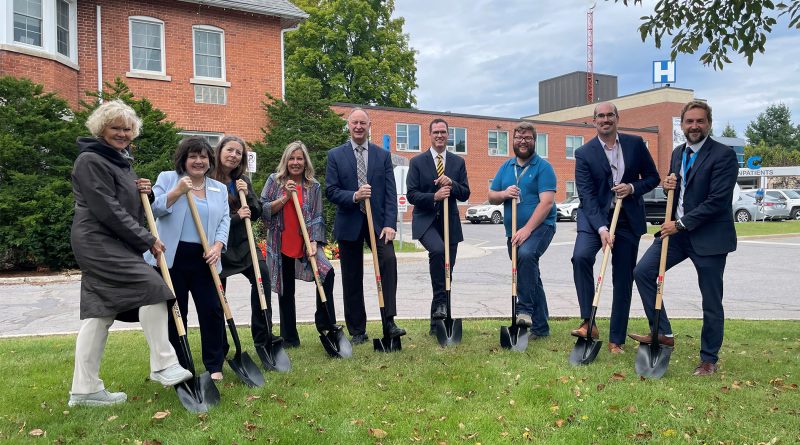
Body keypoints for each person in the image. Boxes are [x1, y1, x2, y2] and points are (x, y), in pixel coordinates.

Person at [68, 100, 192, 407]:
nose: (123, 134)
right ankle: (163, 363)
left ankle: (84, 390)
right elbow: (106, 208)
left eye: (127, 128)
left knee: (99, 314)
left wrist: (144, 191)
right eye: (115, 128)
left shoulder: (119, 160)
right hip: (99, 242)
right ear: (101, 129)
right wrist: (146, 238)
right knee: (154, 288)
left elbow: (124, 201)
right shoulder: (91, 160)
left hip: (112, 241)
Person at [629, 100, 739, 376]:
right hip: (678, 234)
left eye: (700, 121)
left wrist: (680, 224)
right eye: (689, 121)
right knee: (643, 271)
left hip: (709, 237)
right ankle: (662, 332)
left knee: (710, 300)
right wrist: (668, 187)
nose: (694, 126)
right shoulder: (679, 153)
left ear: (709, 123)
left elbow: (717, 201)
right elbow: (678, 194)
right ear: (682, 124)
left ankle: (708, 359)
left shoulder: (723, 155)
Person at [570, 102, 660, 354]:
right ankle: (589, 322)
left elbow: (653, 177)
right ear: (594, 121)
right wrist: (601, 228)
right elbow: (586, 195)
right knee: (580, 258)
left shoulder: (635, 144)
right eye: (600, 116)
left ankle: (616, 339)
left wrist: (632, 188)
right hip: (594, 219)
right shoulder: (584, 153)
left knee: (623, 278)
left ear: (618, 118)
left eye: (610, 115)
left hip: (626, 219)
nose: (605, 119)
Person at [145, 136, 230, 381]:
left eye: (203, 156)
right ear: (183, 158)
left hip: (206, 258)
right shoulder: (168, 179)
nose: (198, 161)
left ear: (209, 160)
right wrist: (177, 192)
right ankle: (180, 365)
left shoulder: (218, 188)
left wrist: (218, 245)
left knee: (212, 310)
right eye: (193, 156)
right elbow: (153, 209)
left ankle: (214, 366)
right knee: (175, 313)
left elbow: (224, 220)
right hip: (172, 258)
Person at [325, 108, 406, 344]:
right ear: (348, 126)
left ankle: (389, 322)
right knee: (351, 276)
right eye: (354, 123)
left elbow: (391, 192)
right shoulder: (336, 155)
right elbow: (331, 190)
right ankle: (357, 330)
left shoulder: (382, 156)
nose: (359, 127)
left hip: (379, 224)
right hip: (350, 222)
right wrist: (354, 196)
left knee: (388, 262)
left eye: (363, 123)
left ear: (369, 125)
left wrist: (390, 224)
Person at [260, 141, 339, 346]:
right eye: (292, 158)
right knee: (286, 291)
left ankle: (324, 323)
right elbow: (264, 210)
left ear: (305, 162)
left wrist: (314, 241)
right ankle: (290, 337)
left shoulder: (313, 186)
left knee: (327, 273)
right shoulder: (274, 181)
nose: (295, 162)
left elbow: (318, 216)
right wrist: (285, 196)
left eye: (299, 158)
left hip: (305, 242)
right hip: (281, 242)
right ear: (285, 160)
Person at [488, 122, 557, 337]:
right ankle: (541, 327)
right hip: (513, 232)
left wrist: (527, 229)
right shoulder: (506, 167)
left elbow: (546, 203)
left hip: (540, 227)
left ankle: (524, 310)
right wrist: (504, 194)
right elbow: (491, 196)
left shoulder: (543, 167)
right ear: (513, 141)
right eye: (518, 137)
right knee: (531, 275)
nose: (523, 141)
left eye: (527, 137)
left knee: (526, 257)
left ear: (534, 141)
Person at [406, 118, 470, 334]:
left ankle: (439, 323)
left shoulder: (457, 162)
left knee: (447, 272)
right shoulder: (417, 162)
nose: (440, 136)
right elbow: (411, 195)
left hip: (450, 223)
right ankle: (441, 309)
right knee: (438, 252)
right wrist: (435, 195)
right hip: (426, 221)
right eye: (436, 132)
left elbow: (465, 193)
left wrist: (452, 183)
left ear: (448, 135)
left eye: (443, 132)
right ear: (430, 135)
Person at [212, 136, 271, 349]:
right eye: (230, 150)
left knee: (262, 276)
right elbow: (210, 218)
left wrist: (245, 193)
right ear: (219, 152)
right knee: (218, 297)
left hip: (244, 244)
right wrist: (237, 217)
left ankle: (264, 339)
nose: (234, 155)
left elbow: (255, 212)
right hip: (220, 245)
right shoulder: (208, 180)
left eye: (239, 153)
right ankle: (220, 346)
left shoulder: (242, 180)